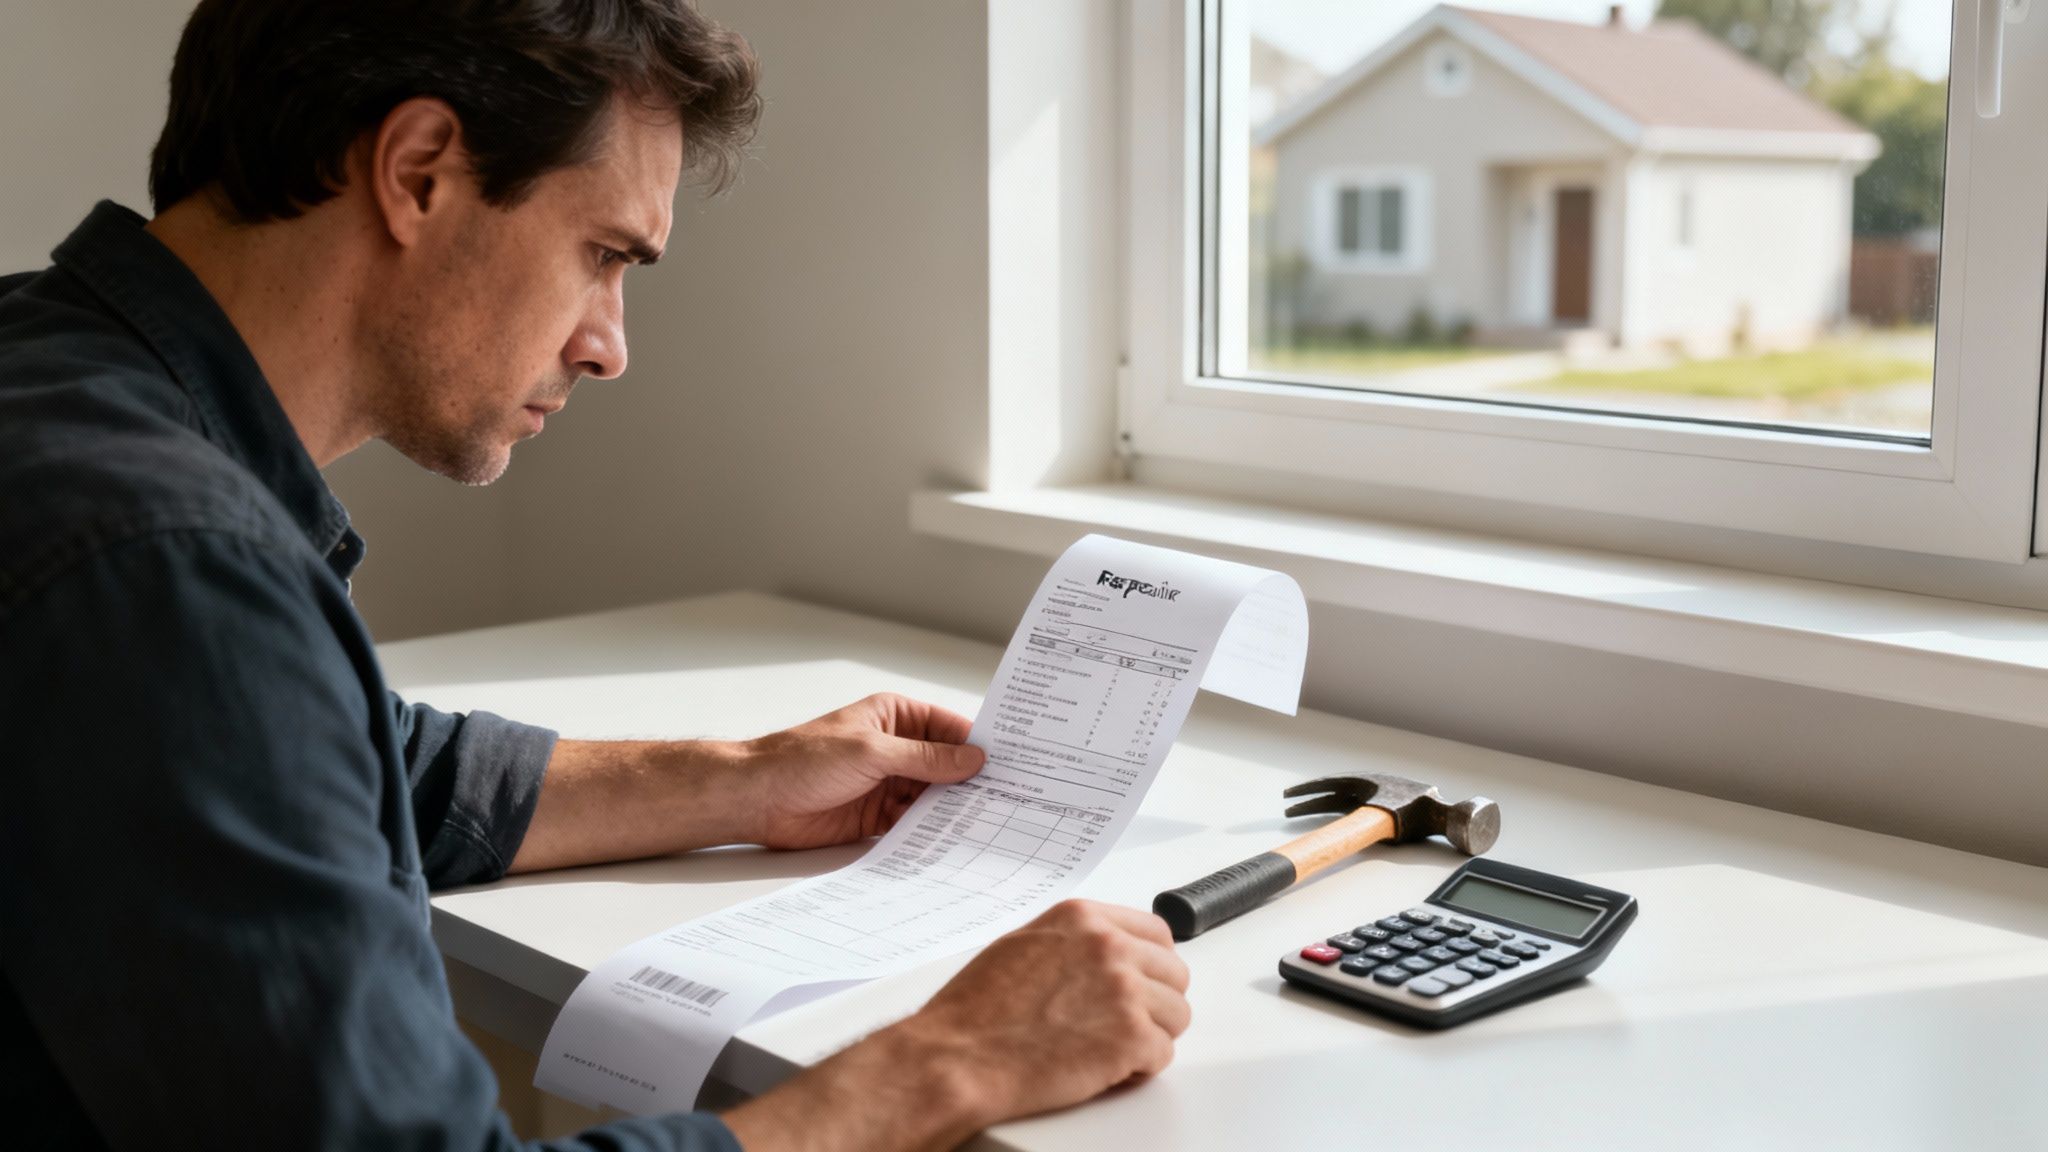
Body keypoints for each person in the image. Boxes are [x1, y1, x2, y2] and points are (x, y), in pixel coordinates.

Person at [0, 2, 1192, 1149]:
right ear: (419, 170)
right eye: (603, 253)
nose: (607, 345)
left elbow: (305, 765)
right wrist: (952, 1061)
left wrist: (744, 779)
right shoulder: (165, 565)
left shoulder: (48, 377)